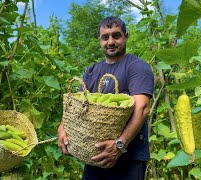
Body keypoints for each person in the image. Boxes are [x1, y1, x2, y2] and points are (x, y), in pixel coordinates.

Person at [57, 16, 154, 179]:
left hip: (128, 157)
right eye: (105, 37)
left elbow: (142, 108)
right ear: (99, 40)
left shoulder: (137, 67)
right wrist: (62, 128)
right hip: (95, 156)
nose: (110, 42)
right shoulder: (91, 71)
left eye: (116, 35)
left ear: (126, 36)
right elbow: (76, 105)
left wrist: (119, 144)